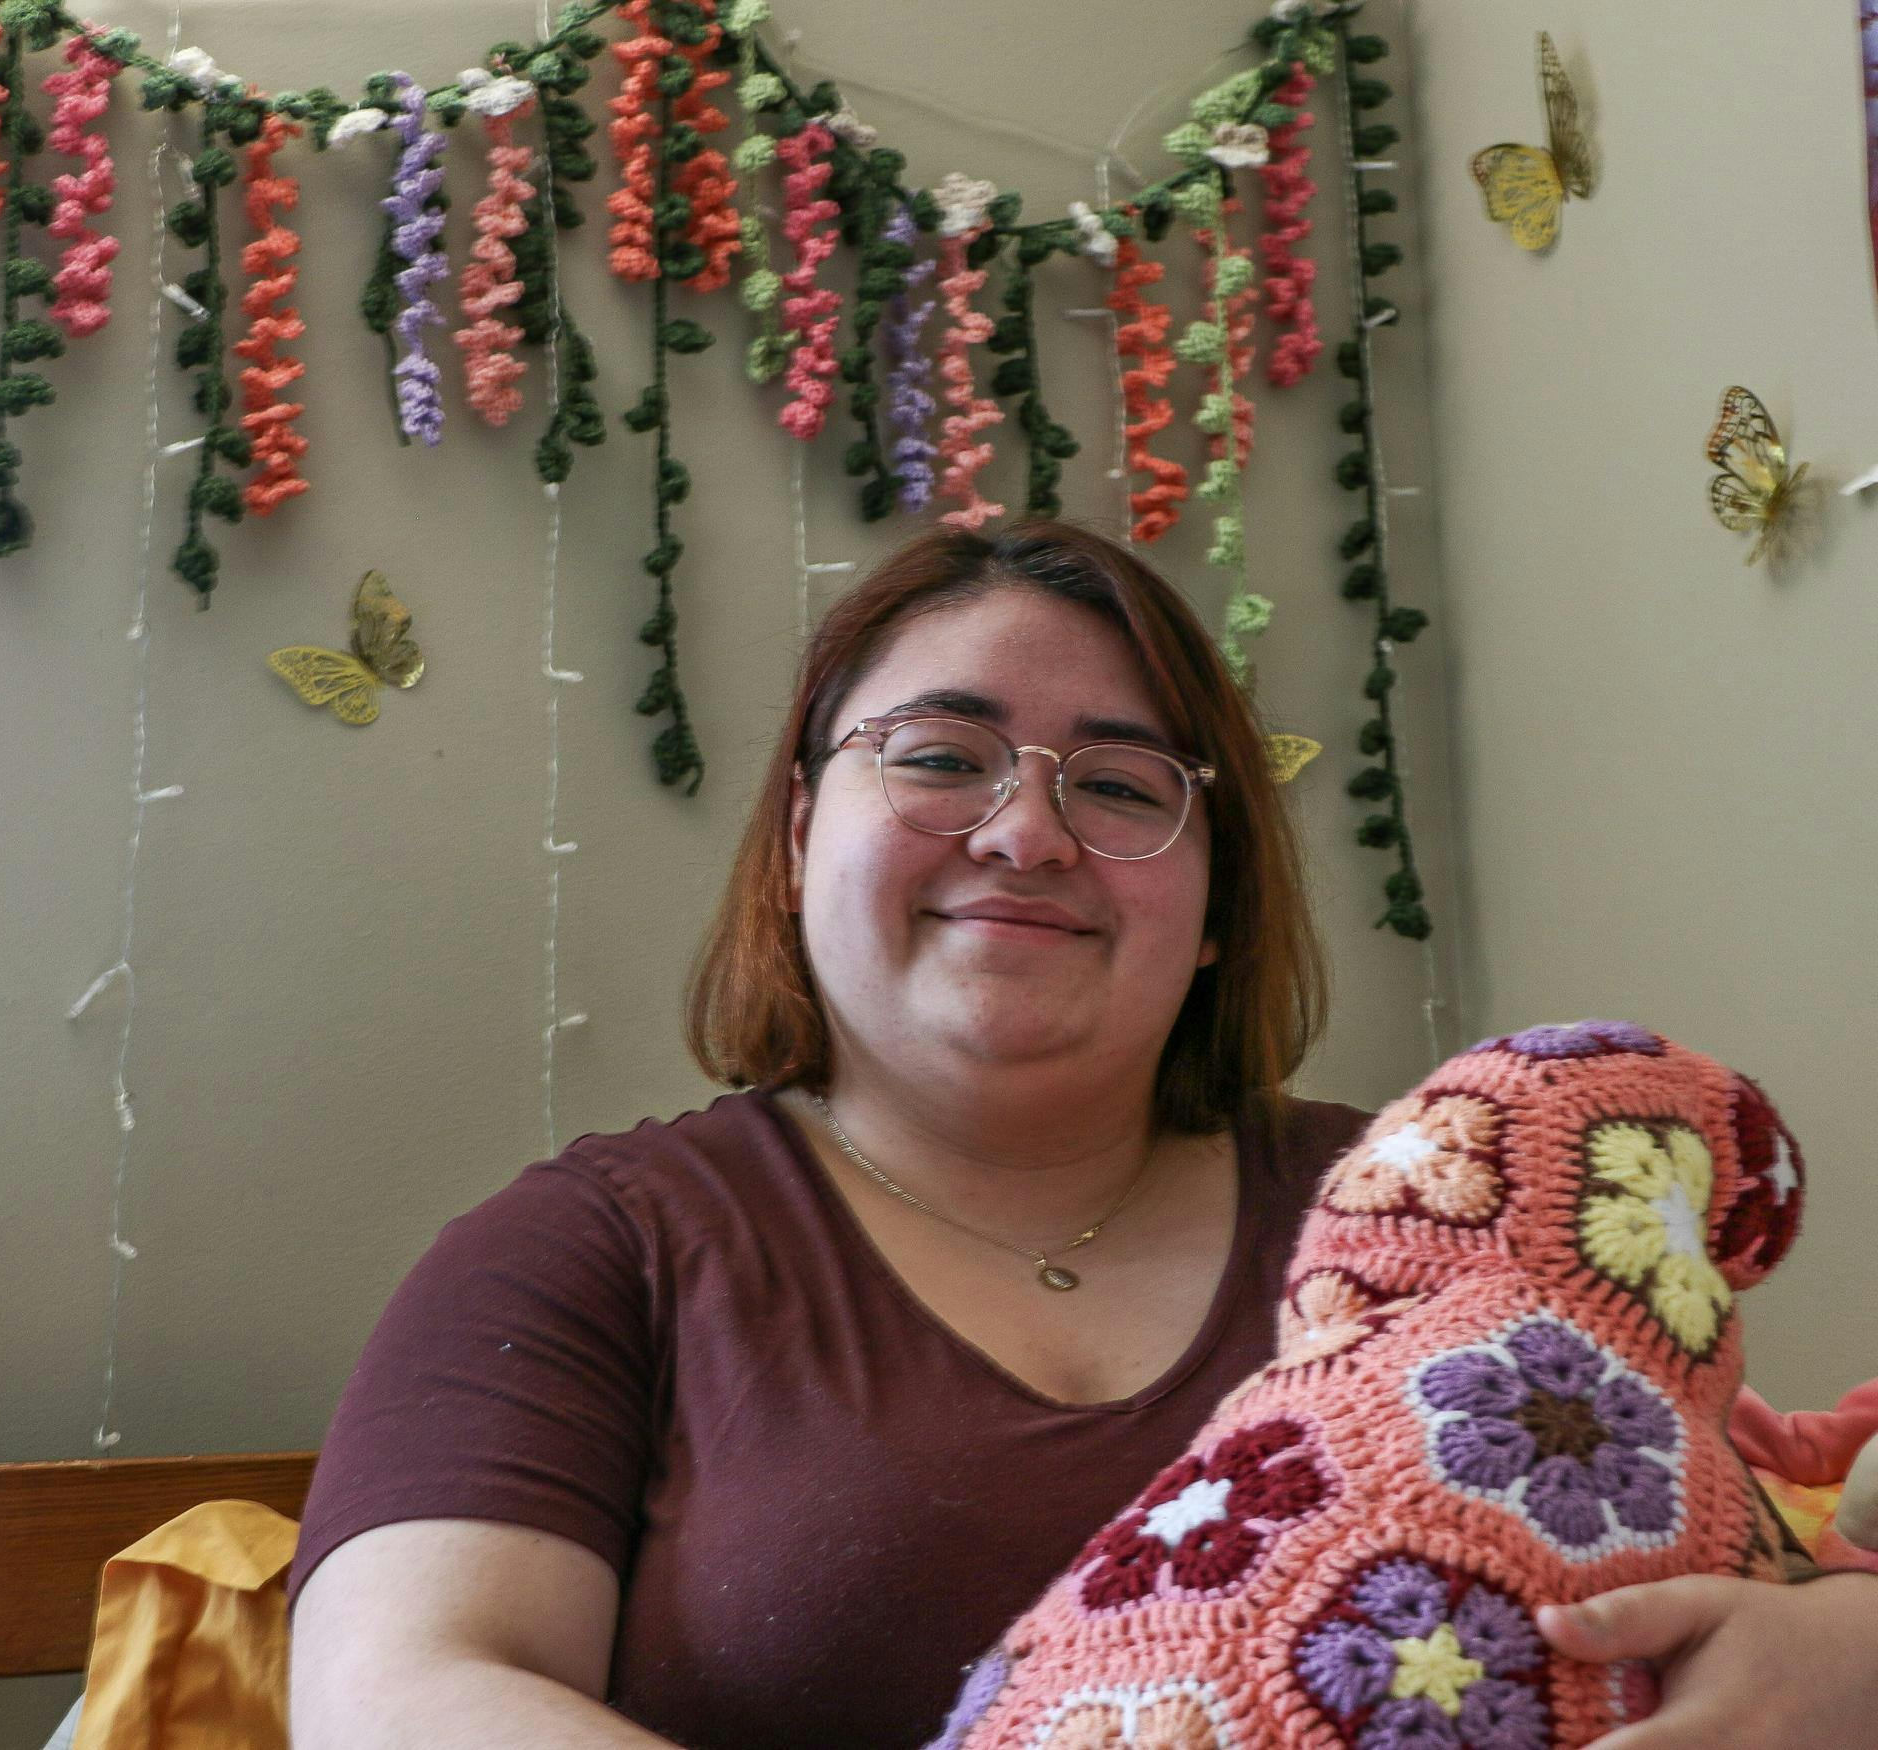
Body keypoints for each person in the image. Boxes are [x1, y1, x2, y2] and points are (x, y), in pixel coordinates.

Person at [287, 522, 1878, 1750]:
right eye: (937, 755)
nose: (1028, 829)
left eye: (1122, 785)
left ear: (1208, 911)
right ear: (795, 842)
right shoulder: (599, 1248)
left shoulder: (1433, 1196)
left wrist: (1852, 1659)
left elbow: (1722, 1518)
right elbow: (404, 1692)